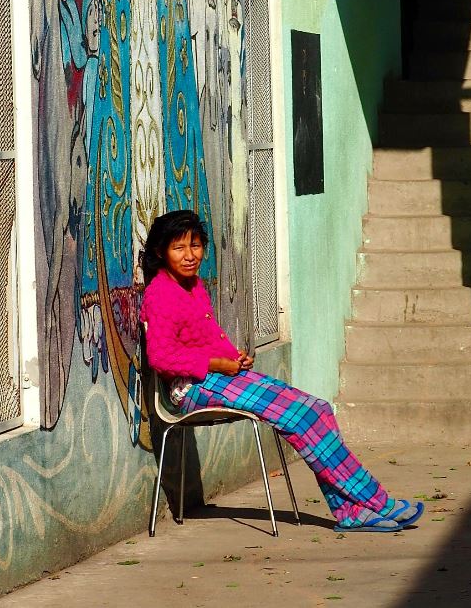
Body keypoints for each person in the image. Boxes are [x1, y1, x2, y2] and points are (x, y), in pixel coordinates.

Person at [140, 210, 424, 532]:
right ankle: (377, 502)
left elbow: (205, 338)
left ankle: (350, 512)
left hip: (216, 377)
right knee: (299, 418)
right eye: (179, 248)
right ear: (161, 252)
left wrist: (235, 358)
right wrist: (216, 364)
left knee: (317, 409)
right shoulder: (160, 294)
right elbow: (161, 357)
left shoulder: (193, 285)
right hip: (189, 389)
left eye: (196, 246)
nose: (190, 255)